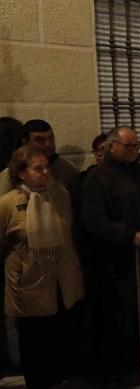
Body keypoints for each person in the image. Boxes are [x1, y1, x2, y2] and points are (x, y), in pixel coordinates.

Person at [81, 126, 140, 383]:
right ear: (111, 146)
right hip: (116, 261)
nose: (133, 151)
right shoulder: (98, 178)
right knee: (118, 316)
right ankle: (116, 367)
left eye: (136, 146)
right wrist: (129, 235)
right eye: (128, 146)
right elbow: (94, 220)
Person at [0, 146, 84, 388]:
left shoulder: (60, 195)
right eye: (38, 168)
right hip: (29, 288)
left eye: (47, 167)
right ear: (22, 173)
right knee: (35, 348)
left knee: (60, 342)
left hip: (62, 282)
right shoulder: (6, 205)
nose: (46, 172)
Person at [0, 120, 80, 209]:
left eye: (50, 138)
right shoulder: (11, 172)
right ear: (25, 143)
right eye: (39, 140)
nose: (47, 144)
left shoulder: (67, 169)